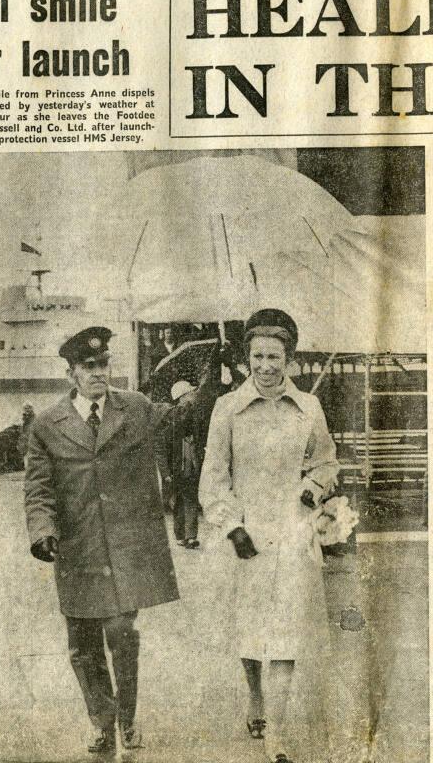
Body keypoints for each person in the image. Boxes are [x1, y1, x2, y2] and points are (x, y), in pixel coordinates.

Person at [24, 326, 180, 754]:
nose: (98, 373)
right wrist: (43, 532)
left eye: (104, 364)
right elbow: (38, 489)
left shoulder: (136, 408)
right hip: (78, 550)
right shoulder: (46, 425)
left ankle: (126, 720)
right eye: (88, 366)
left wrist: (210, 378)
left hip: (126, 548)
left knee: (122, 633)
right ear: (72, 373)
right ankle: (100, 720)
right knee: (82, 642)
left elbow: (183, 419)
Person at [199, 309, 339, 763]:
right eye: (257, 356)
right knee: (249, 635)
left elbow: (326, 463)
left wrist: (311, 490)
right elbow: (213, 478)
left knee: (286, 635)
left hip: (293, 536)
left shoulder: (309, 408)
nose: (265, 366)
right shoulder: (227, 409)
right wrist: (232, 526)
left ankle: (277, 737)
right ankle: (255, 698)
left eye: (274, 357)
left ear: (289, 359)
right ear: (246, 359)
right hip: (244, 538)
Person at [165, 380, 201, 550]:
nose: (193, 395)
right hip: (183, 462)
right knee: (184, 498)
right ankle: (186, 536)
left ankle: (186, 536)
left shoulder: (178, 414)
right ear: (183, 397)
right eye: (190, 393)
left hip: (184, 462)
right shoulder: (180, 413)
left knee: (185, 497)